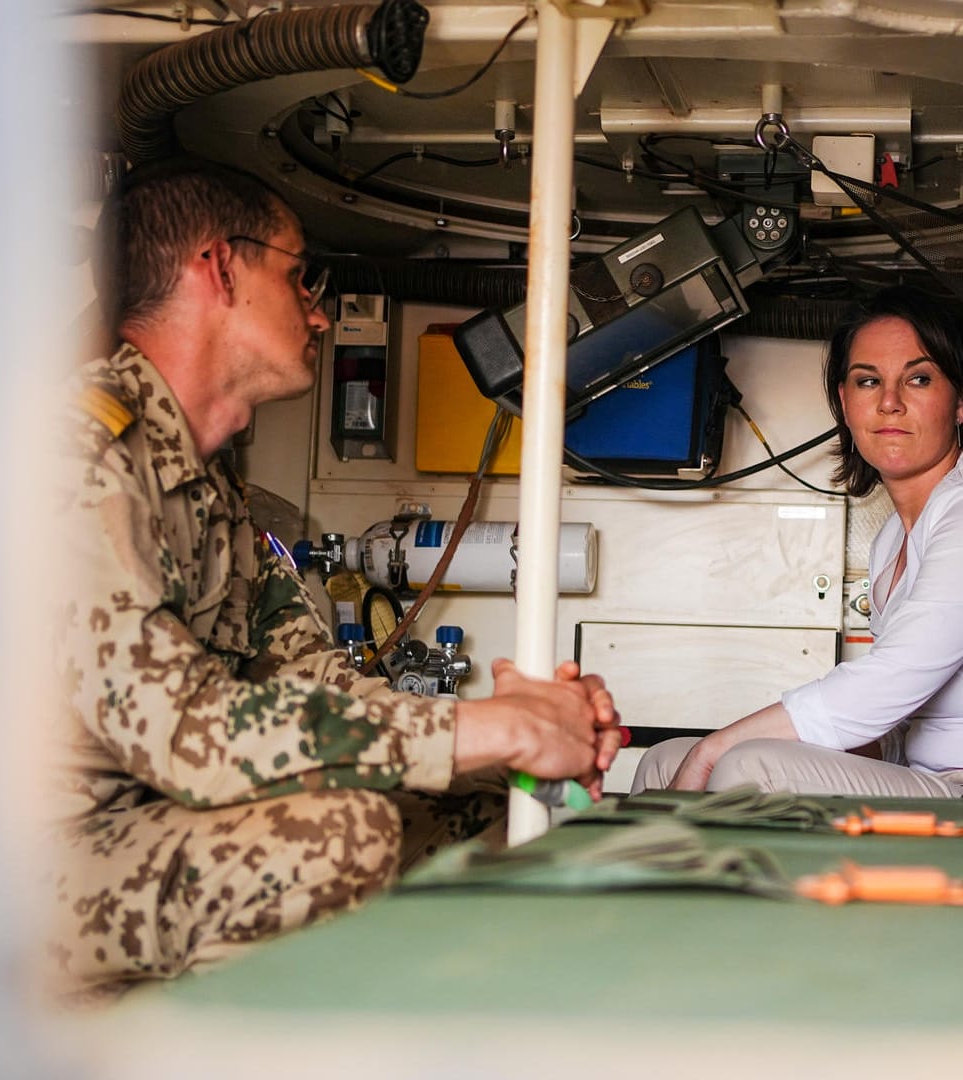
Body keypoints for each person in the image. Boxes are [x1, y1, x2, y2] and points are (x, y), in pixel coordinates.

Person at [49, 158, 620, 996]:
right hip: (28, 866)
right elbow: (189, 736)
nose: (318, 313)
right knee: (339, 835)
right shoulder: (77, 456)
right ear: (218, 268)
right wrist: (494, 729)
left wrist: (504, 733)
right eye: (297, 276)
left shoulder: (214, 489)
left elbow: (311, 684)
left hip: (151, 823)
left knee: (480, 804)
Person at [633, 286, 963, 797]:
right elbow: (890, 721)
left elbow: (889, 684)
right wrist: (730, 751)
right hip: (924, 774)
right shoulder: (895, 537)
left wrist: (714, 749)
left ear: (961, 402)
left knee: (744, 768)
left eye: (918, 379)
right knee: (662, 760)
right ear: (847, 405)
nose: (890, 403)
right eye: (868, 381)